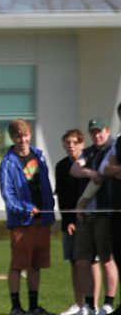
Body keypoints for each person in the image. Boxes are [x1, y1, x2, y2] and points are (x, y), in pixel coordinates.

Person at [0, 119, 55, 315]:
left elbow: (46, 185)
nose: (22, 140)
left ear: (30, 135)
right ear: (12, 138)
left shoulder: (39, 156)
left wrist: (49, 208)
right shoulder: (7, 163)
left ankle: (33, 306)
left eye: (25, 135)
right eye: (18, 136)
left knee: (36, 265)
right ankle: (16, 307)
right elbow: (8, 196)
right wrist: (26, 208)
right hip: (21, 222)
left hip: (42, 220)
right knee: (18, 265)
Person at [70, 119, 117, 315]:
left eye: (100, 132)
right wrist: (91, 173)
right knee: (82, 260)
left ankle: (108, 303)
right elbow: (74, 169)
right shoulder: (89, 152)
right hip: (86, 214)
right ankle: (89, 305)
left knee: (106, 259)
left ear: (107, 131)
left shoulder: (114, 149)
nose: (97, 136)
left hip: (104, 213)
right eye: (93, 133)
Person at [55, 129, 98, 315]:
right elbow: (62, 197)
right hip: (71, 221)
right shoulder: (61, 166)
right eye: (67, 142)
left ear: (82, 144)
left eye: (75, 142)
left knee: (92, 261)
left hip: (90, 219)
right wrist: (68, 221)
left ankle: (93, 305)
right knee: (74, 261)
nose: (71, 146)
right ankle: (79, 304)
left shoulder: (91, 162)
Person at [102, 103, 121, 315]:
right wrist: (114, 170)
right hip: (116, 207)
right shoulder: (119, 141)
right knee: (119, 255)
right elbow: (108, 169)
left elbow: (113, 169)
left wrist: (115, 170)